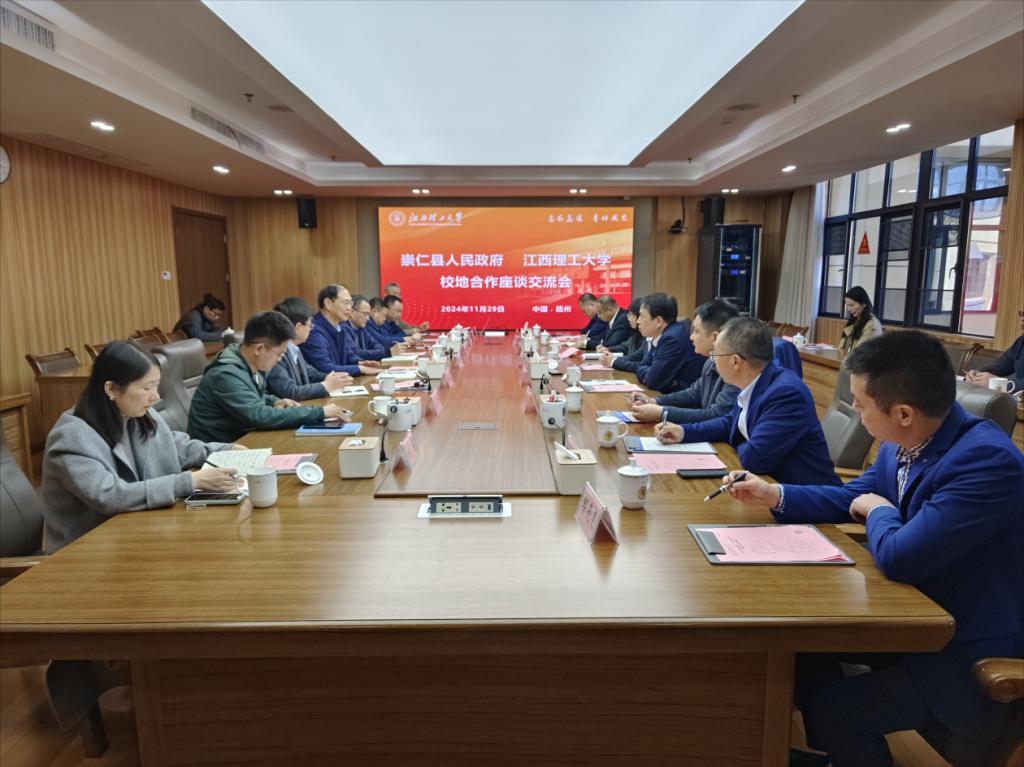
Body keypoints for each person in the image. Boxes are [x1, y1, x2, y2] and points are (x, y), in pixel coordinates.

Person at [725, 330, 1023, 767]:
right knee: (799, 653)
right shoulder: (908, 441)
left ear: (902, 413)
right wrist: (775, 494)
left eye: (861, 404)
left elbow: (901, 556)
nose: (855, 410)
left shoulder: (985, 461)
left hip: (964, 652)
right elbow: (853, 496)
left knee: (835, 709)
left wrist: (880, 511)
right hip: (912, 618)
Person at [41, 341, 240, 552]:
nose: (156, 397)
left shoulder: (135, 413)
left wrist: (226, 451)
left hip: (136, 533)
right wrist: (190, 482)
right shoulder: (72, 436)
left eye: (156, 385)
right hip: (87, 553)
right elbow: (108, 495)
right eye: (147, 387)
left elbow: (174, 445)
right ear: (111, 389)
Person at [655, 316, 840, 486]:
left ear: (735, 362)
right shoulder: (755, 382)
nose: (712, 362)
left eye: (715, 356)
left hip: (803, 498)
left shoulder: (786, 394)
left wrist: (737, 443)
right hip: (766, 486)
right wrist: (684, 432)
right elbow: (729, 422)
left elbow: (755, 458)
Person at [188, 311, 350, 443]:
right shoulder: (225, 374)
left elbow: (253, 393)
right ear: (259, 349)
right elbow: (259, 415)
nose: (280, 360)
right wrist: (319, 412)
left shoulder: (248, 360)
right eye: (279, 354)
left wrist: (274, 401)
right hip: (219, 450)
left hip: (244, 437)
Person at [630, 298, 741, 424]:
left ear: (715, 337)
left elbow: (716, 416)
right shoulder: (710, 361)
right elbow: (693, 394)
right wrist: (655, 401)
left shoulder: (735, 368)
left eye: (696, 332)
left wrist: (662, 412)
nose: (691, 337)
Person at [267, 297, 352, 400]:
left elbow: (311, 373)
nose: (311, 330)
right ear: (298, 327)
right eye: (310, 325)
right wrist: (325, 386)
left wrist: (331, 378)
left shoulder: (295, 349)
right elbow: (289, 392)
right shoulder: (275, 353)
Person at [301, 284, 380, 377]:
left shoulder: (340, 327)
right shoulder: (313, 331)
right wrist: (360, 369)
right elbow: (325, 368)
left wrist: (360, 362)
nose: (349, 308)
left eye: (350, 303)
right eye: (346, 303)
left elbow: (347, 354)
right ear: (328, 303)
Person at [634, 293, 705, 393]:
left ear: (658, 321)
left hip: (684, 398)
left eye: (642, 316)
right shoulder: (665, 334)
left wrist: (649, 372)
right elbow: (642, 365)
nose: (638, 321)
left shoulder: (672, 339)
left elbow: (653, 381)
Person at [965, 312, 1024, 390]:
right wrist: (978, 375)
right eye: (1023, 314)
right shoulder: (1021, 342)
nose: (1022, 319)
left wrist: (997, 383)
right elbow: (997, 368)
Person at [343, 295, 406, 361]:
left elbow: (376, 344)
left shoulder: (362, 328)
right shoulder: (344, 329)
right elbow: (357, 352)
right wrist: (387, 352)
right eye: (365, 314)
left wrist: (383, 351)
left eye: (368, 314)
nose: (367, 318)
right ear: (352, 312)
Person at [599, 298, 647, 372]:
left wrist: (613, 360)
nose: (628, 318)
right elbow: (625, 346)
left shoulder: (647, 337)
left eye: (631, 315)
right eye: (628, 315)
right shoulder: (636, 333)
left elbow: (636, 357)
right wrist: (609, 350)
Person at [840, 286, 882, 353]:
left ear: (864, 303)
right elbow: (842, 348)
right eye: (847, 305)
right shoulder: (855, 320)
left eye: (852, 305)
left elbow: (860, 352)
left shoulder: (872, 325)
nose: (848, 309)